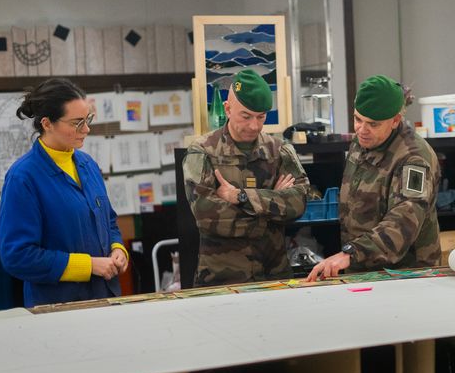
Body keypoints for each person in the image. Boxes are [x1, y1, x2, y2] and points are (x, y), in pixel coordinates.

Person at [0, 78, 128, 307]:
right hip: (58, 307)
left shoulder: (87, 164)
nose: (86, 129)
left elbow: (108, 221)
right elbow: (17, 256)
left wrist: (117, 249)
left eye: (88, 119)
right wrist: (88, 266)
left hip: (105, 297)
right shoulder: (23, 177)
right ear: (47, 124)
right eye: (77, 123)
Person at [307, 74, 441, 281]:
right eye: (357, 119)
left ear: (395, 120)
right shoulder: (362, 142)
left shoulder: (414, 159)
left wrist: (351, 253)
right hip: (363, 269)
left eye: (373, 124)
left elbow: (404, 221)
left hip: (404, 275)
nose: (362, 130)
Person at [183, 69, 310, 286]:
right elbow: (206, 215)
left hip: (274, 276)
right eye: (246, 116)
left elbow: (299, 202)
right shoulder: (203, 151)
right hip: (222, 279)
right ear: (227, 109)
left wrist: (241, 197)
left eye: (261, 117)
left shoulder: (280, 150)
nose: (254, 125)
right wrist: (269, 214)